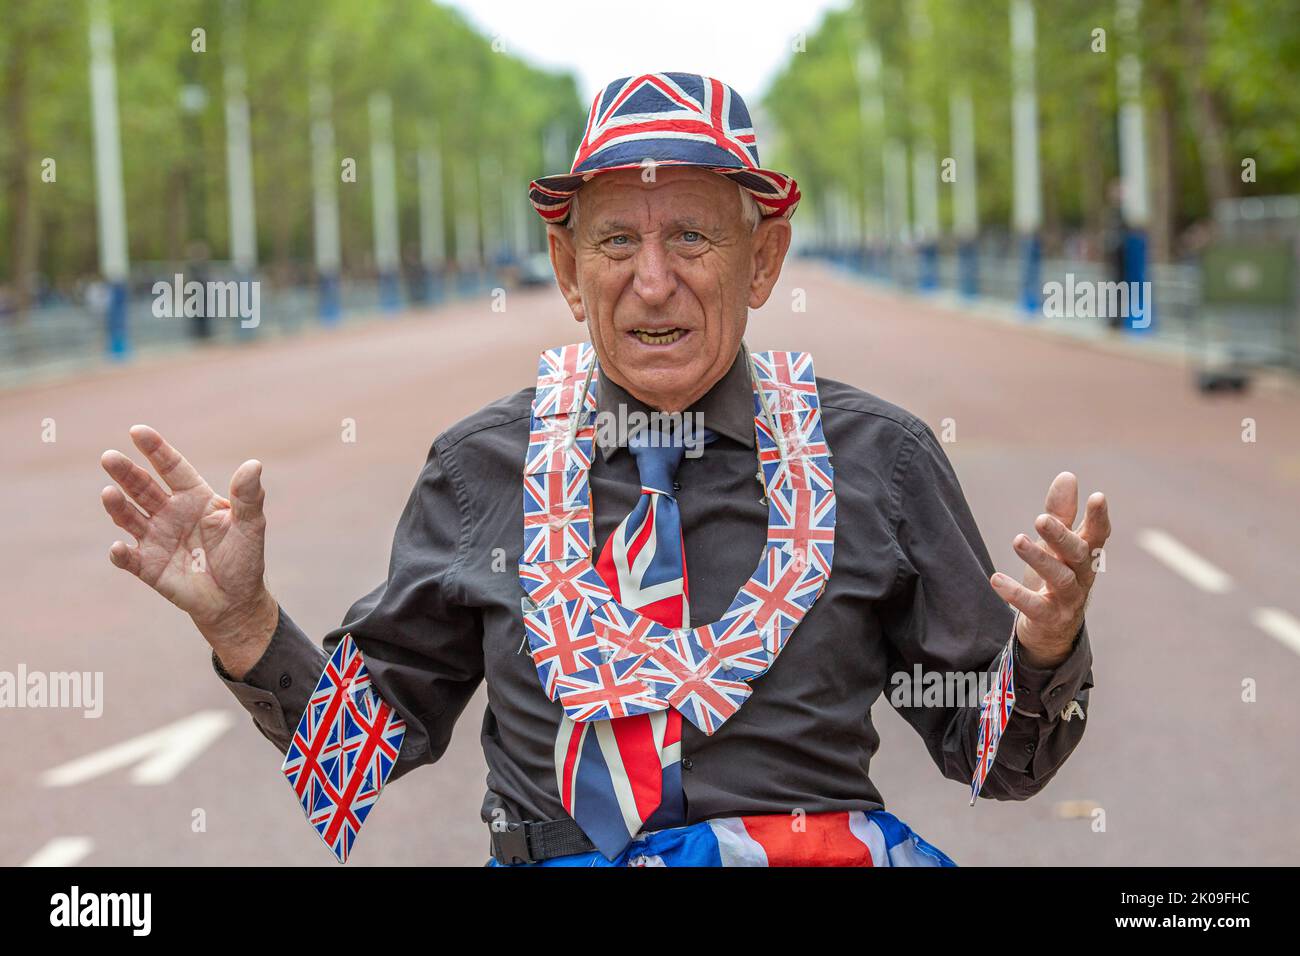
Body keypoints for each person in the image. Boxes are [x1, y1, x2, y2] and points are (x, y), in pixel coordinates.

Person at [98, 72, 1109, 867]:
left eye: (692, 237)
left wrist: (1046, 643)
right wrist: (239, 624)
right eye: (617, 238)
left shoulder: (879, 459)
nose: (652, 279)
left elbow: (999, 759)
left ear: (762, 262)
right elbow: (356, 762)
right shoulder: (478, 470)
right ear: (568, 269)